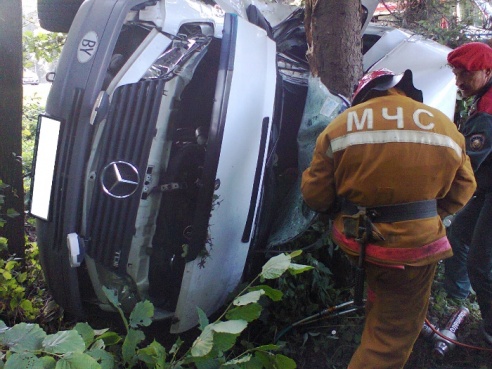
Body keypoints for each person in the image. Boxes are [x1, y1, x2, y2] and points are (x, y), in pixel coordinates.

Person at [301, 68, 476, 368]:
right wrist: (425, 216)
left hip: (356, 241)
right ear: (404, 90)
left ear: (364, 96)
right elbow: (464, 188)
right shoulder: (444, 127)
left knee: (385, 290)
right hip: (413, 251)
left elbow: (315, 194)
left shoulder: (341, 126)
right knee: (390, 339)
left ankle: (379, 311)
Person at [444, 41, 492, 345]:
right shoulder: (481, 97)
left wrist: (434, 192)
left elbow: (467, 166)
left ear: (487, 71)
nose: (459, 81)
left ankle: (490, 331)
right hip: (487, 187)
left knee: (480, 261)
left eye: (466, 74)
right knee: (457, 236)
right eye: (456, 74)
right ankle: (457, 299)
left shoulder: (487, 112)